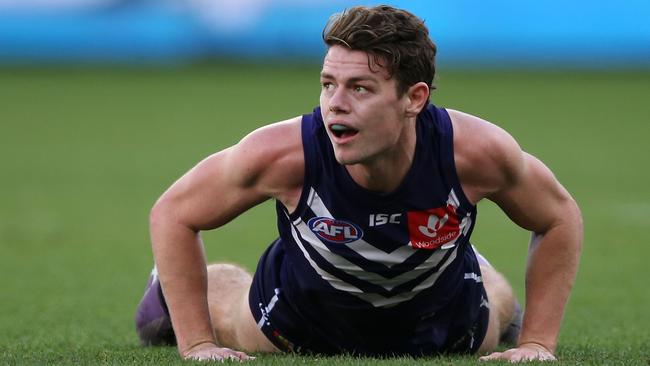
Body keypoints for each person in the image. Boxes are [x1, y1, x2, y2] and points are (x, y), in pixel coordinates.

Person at [135, 5, 582, 363]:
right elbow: (175, 212)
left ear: (414, 98)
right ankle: (170, 291)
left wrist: (537, 344)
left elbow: (559, 216)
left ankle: (470, 270)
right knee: (230, 309)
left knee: (489, 297)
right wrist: (197, 346)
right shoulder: (282, 154)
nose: (335, 105)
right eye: (328, 84)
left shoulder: (476, 153)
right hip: (299, 326)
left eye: (360, 88)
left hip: (448, 326)